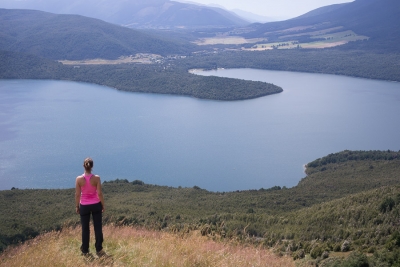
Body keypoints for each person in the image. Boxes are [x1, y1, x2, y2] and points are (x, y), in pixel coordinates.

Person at [75, 157, 107, 258]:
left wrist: (77, 206)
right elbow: (100, 193)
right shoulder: (96, 178)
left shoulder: (79, 179)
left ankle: (85, 250)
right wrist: (102, 204)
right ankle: (99, 248)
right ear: (92, 166)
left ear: (83, 166)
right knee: (98, 227)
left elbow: (77, 194)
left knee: (85, 229)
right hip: (96, 205)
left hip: (84, 206)